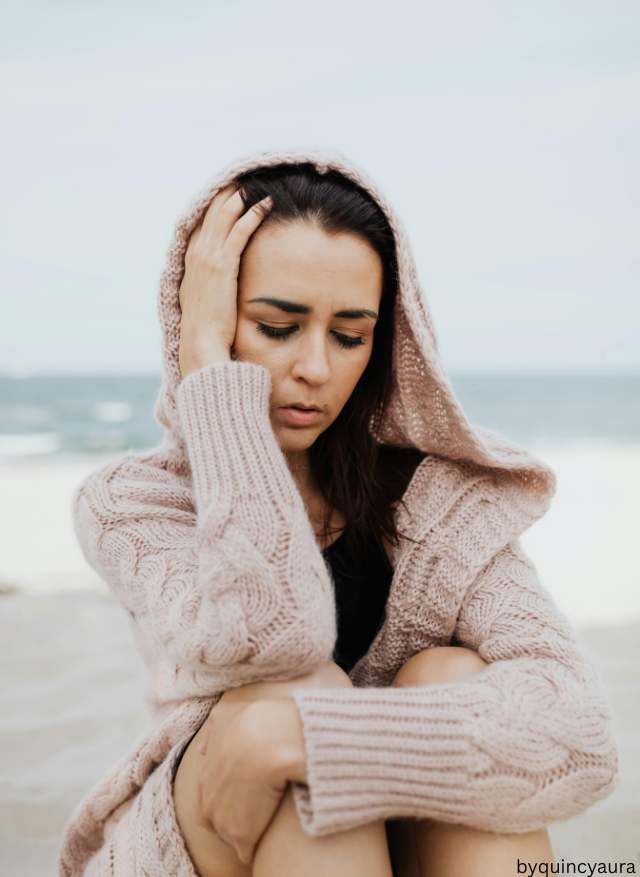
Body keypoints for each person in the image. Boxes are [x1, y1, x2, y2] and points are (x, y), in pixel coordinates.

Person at [58, 148, 619, 877]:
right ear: (210, 322)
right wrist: (212, 382)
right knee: (297, 686)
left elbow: (580, 734)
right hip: (208, 846)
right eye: (275, 325)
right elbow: (275, 642)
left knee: (450, 676)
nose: (317, 368)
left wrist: (307, 737)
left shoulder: (440, 504)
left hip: (410, 847)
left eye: (350, 335)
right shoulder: (135, 504)